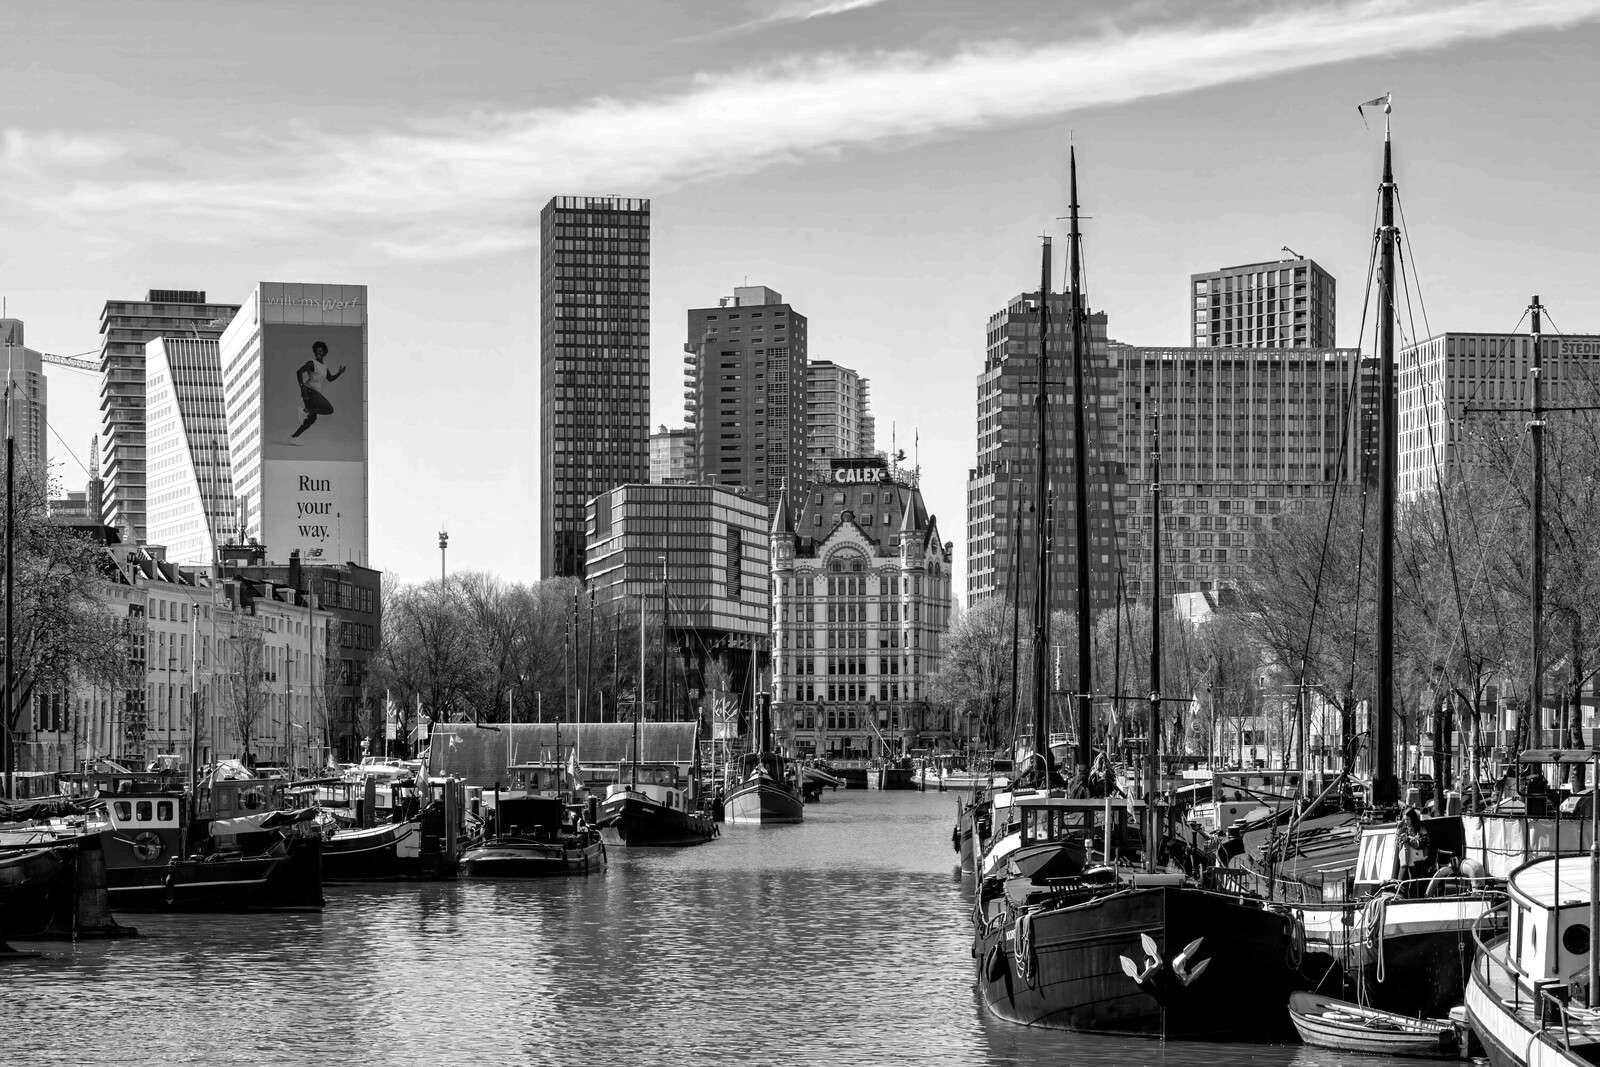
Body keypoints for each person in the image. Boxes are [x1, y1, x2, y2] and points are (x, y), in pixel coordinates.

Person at [291, 340, 347, 439]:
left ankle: (293, 437)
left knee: (312, 419)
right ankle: (306, 410)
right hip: (309, 391)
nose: (319, 352)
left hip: (314, 393)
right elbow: (299, 372)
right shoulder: (312, 363)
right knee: (329, 409)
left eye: (321, 351)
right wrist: (302, 386)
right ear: (314, 352)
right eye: (317, 351)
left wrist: (340, 373)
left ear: (325, 352)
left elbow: (330, 379)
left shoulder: (325, 367)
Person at [1398, 806, 1432, 893]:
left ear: (1413, 819)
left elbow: (1423, 843)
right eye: (1405, 819)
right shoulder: (1404, 829)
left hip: (1418, 862)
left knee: (1415, 885)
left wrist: (1408, 839)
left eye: (1408, 819)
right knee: (1401, 884)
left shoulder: (1421, 829)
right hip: (1405, 862)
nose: (1406, 822)